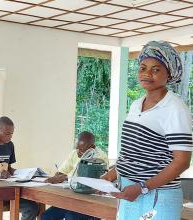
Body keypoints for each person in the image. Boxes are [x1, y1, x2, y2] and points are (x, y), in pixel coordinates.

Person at [110, 41, 193, 220]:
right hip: (128, 192)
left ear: (169, 74)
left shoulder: (175, 108)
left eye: (156, 69)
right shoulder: (135, 105)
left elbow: (182, 162)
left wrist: (142, 187)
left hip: (157, 196)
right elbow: (129, 153)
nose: (147, 74)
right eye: (142, 68)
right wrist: (108, 177)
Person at [41, 131, 108, 220]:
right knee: (46, 216)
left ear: (92, 147)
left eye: (81, 150)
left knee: (71, 217)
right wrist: (58, 176)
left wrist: (65, 177)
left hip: (88, 202)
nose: (78, 151)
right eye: (77, 147)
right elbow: (61, 172)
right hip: (71, 199)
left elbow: (89, 182)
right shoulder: (74, 153)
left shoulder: (100, 157)